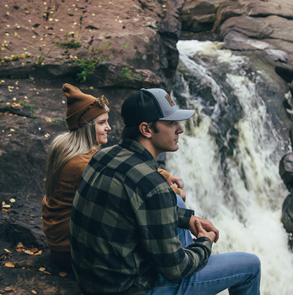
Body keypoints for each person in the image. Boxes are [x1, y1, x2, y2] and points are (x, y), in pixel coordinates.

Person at [70, 88, 293, 295]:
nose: (180, 129)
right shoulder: (153, 184)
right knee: (249, 265)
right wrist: (204, 243)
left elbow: (133, 207)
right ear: (146, 130)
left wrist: (188, 218)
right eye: (171, 123)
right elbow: (174, 270)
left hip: (93, 284)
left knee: (177, 204)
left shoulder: (104, 155)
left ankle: (189, 263)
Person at [42, 84, 189, 269]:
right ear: (86, 126)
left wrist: (163, 174)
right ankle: (181, 268)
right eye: (102, 122)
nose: (109, 128)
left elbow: (124, 168)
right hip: (70, 249)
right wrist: (172, 191)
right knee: (170, 202)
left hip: (62, 240)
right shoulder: (82, 164)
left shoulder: (69, 150)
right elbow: (129, 178)